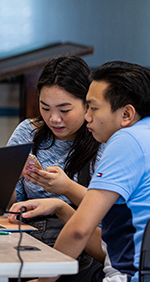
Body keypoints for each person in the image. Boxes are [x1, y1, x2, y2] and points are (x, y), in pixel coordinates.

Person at [9, 61, 150, 282]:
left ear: (126, 114)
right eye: (45, 108)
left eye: (92, 107)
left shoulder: (124, 140)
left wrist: (44, 281)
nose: (88, 117)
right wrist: (59, 205)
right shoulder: (143, 134)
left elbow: (80, 230)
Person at [6, 56, 104, 281]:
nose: (54, 119)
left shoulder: (102, 137)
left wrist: (67, 188)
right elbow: (12, 203)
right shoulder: (27, 132)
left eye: (64, 109)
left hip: (83, 247)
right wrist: (5, 177)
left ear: (87, 103)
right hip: (28, 237)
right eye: (45, 108)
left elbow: (107, 213)